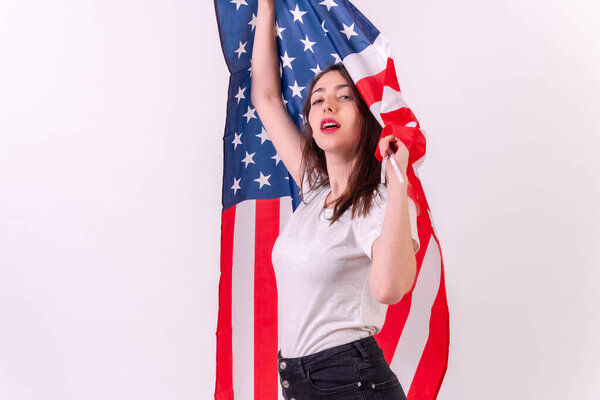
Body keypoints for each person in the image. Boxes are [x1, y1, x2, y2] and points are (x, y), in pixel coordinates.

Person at [251, 1, 420, 398]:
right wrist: (266, 5)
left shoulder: (378, 202)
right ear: (310, 120)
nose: (327, 104)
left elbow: (389, 289)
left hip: (351, 382)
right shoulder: (314, 191)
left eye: (344, 97)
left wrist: (398, 182)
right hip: (301, 383)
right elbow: (266, 97)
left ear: (366, 116)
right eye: (318, 99)